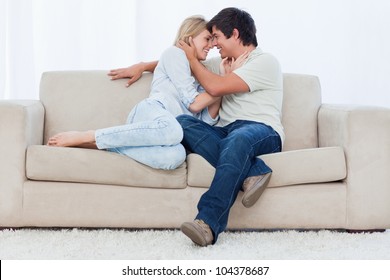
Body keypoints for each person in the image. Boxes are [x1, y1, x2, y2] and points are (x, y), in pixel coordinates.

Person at [104, 7, 284, 247]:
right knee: (182, 123)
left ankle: (207, 223)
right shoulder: (221, 62)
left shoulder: (264, 62)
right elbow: (180, 62)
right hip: (227, 132)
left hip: (261, 130)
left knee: (237, 139)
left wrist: (198, 62)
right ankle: (253, 172)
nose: (214, 44)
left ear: (236, 34)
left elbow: (217, 87)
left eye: (217, 37)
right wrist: (143, 65)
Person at [47, 16, 227, 170]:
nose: (211, 45)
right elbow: (193, 102)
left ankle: (106, 145)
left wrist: (221, 86)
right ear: (189, 38)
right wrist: (221, 86)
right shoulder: (174, 54)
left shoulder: (205, 76)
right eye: (207, 39)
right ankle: (90, 135)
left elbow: (205, 122)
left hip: (170, 134)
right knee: (174, 129)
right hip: (151, 114)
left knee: (176, 157)